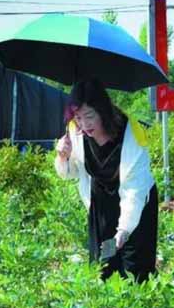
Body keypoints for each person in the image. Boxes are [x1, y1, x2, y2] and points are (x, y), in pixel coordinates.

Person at [54, 78, 158, 283]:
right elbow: (69, 173)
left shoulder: (131, 133)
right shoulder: (75, 131)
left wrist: (124, 230)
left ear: (103, 111)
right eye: (78, 117)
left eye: (89, 116)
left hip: (136, 205)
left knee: (134, 266)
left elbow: (134, 190)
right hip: (101, 207)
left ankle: (137, 300)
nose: (84, 124)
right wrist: (63, 156)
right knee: (104, 264)